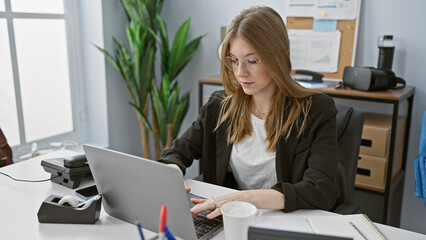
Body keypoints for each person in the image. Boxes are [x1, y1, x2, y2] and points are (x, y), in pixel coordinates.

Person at [159, 6, 339, 219]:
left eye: (251, 61)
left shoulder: (316, 111)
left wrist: (244, 198)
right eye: (234, 60)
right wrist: (172, 175)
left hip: (288, 221)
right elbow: (176, 153)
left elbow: (321, 189)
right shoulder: (219, 106)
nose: (239, 72)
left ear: (277, 58)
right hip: (232, 219)